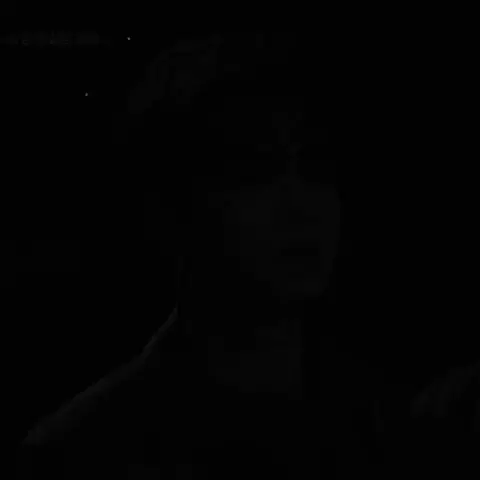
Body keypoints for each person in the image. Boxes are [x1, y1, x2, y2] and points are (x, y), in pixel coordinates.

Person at [18, 31, 478, 479]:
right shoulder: (85, 453)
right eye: (253, 171)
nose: (300, 207)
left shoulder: (394, 427)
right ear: (169, 208)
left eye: (316, 167)